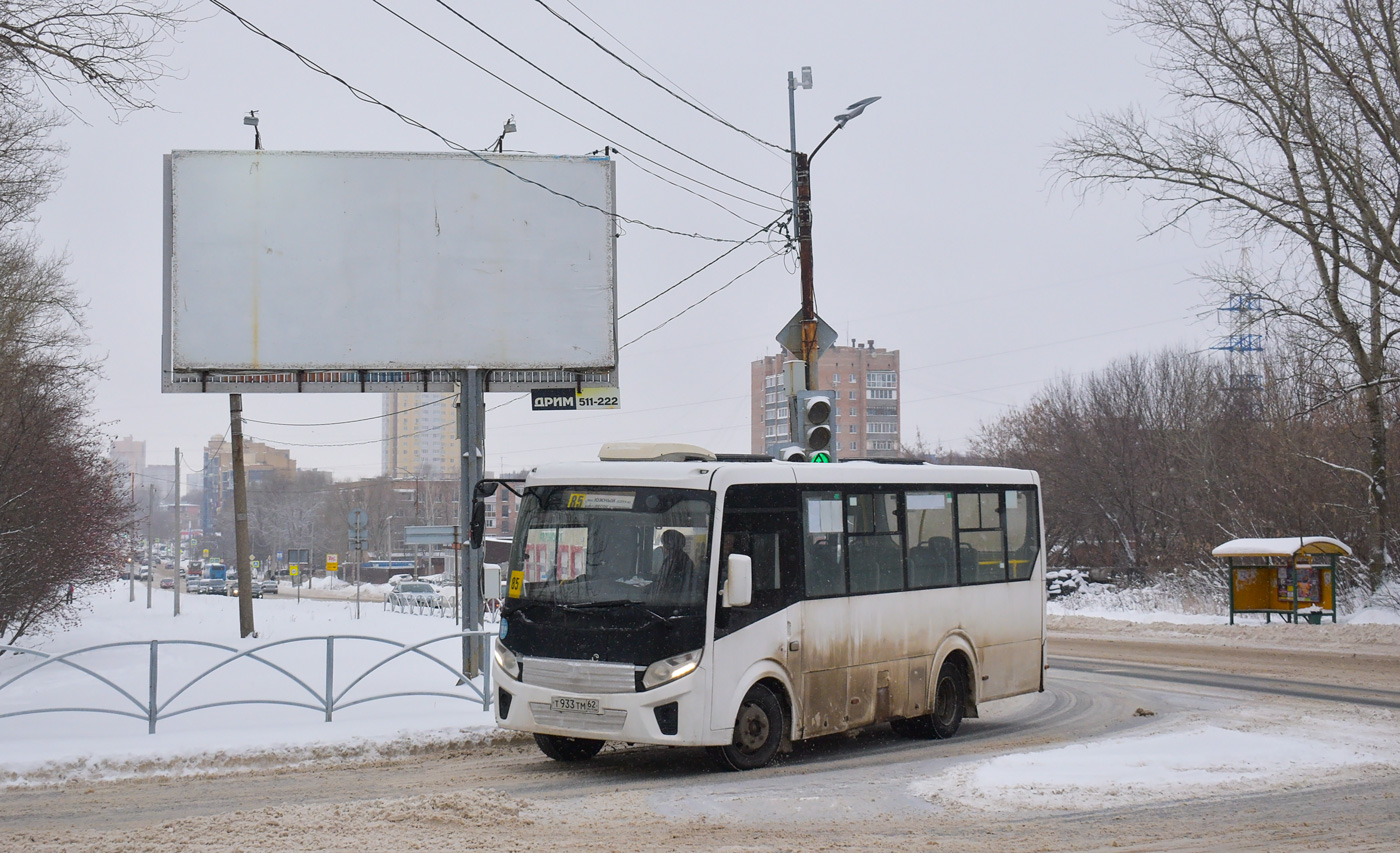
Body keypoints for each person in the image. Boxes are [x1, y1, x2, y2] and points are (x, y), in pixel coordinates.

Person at [654, 529, 694, 597]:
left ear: (669, 545)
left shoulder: (676, 561)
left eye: (664, 544)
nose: (663, 548)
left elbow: (665, 585)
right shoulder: (682, 558)